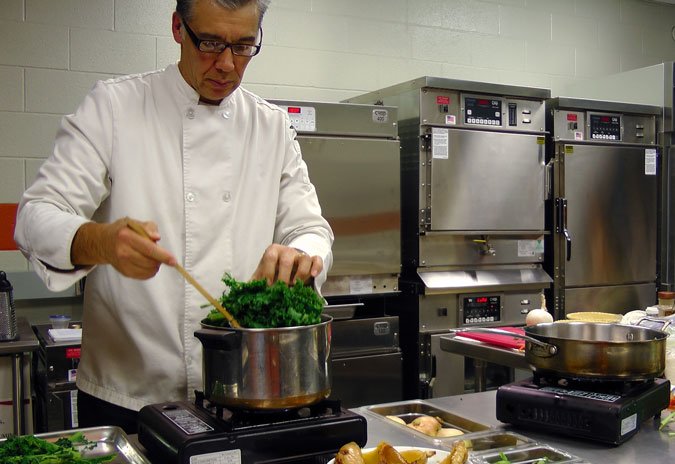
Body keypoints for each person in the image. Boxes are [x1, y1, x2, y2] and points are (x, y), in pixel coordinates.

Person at [14, 0, 333, 434]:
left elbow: (310, 227)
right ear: (177, 28)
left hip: (243, 396)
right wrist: (101, 241)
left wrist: (301, 255)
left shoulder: (271, 126)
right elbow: (36, 216)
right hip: (127, 399)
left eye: (243, 46)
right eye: (210, 43)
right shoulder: (114, 107)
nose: (226, 64)